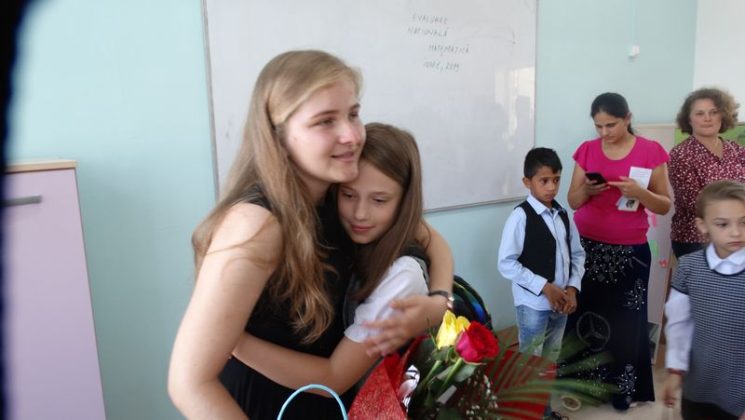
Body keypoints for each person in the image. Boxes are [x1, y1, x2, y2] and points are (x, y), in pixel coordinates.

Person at [167, 50, 453, 419]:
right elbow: (189, 384)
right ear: (279, 136)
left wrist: (438, 301)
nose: (352, 135)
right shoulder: (257, 224)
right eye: (325, 121)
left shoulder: (336, 192)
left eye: (353, 114)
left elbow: (429, 238)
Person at [231, 122, 436, 398]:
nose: (360, 213)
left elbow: (333, 379)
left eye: (379, 200)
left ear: (404, 203)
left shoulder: (402, 276)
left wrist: (234, 342)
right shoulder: (341, 223)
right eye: (349, 194)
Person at [562, 92, 671, 410]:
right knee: (584, 317)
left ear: (627, 118)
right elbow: (572, 201)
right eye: (598, 126)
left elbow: (664, 205)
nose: (604, 132)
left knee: (626, 322)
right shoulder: (587, 150)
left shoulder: (650, 151)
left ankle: (623, 391)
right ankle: (579, 386)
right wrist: (587, 189)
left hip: (630, 251)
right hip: (587, 247)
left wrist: (639, 192)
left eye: (610, 125)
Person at [498, 147, 585, 420]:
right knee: (531, 363)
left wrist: (572, 288)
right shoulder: (520, 217)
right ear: (528, 182)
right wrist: (544, 287)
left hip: (561, 304)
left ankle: (544, 413)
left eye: (556, 180)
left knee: (549, 362)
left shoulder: (562, 214)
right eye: (544, 181)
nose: (551, 187)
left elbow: (577, 254)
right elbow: (506, 263)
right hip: (533, 305)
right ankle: (527, 415)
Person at [663, 180, 745, 420]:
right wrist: (675, 370)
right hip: (699, 385)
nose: (736, 232)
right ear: (703, 225)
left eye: (744, 222)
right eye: (723, 224)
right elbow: (679, 323)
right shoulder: (689, 267)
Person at [669, 87, 744, 259]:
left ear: (723, 115)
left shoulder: (736, 149)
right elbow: (695, 204)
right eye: (700, 113)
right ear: (689, 119)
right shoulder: (681, 154)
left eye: (713, 112)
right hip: (697, 240)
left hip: (737, 235)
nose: (707, 118)